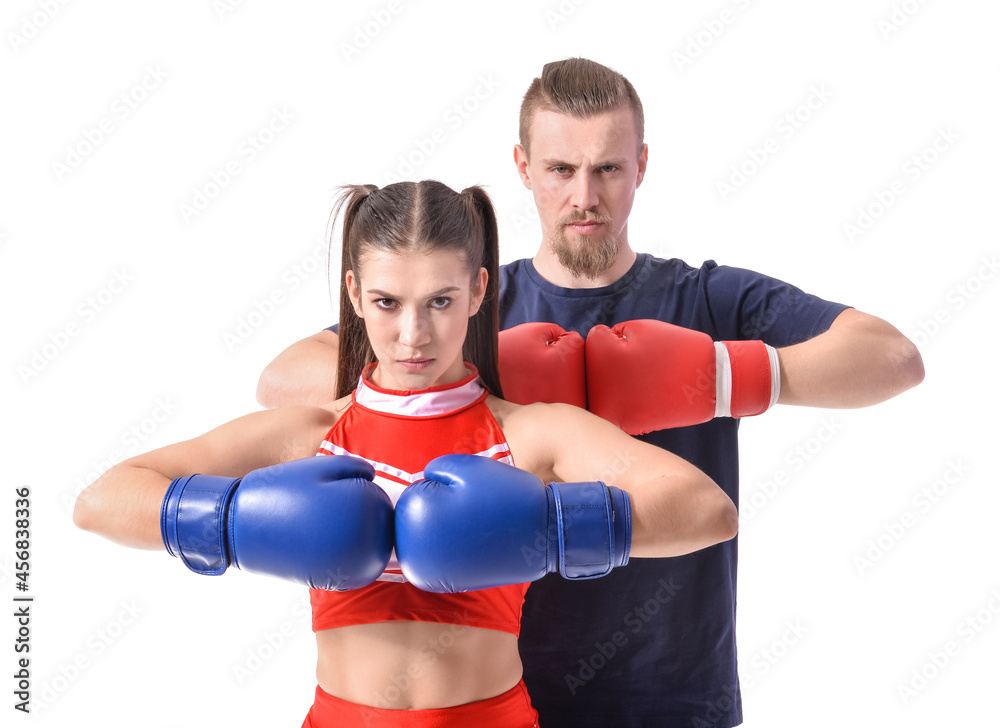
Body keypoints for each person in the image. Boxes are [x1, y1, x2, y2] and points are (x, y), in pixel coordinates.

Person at [255, 60, 925, 727]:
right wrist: (489, 376)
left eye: (607, 168)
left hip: (678, 693)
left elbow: (892, 358)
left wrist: (719, 375)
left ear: (641, 166)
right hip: (512, 696)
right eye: (560, 170)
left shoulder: (706, 299)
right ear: (523, 168)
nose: (584, 196)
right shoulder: (466, 308)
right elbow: (281, 379)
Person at [73, 179, 739, 727]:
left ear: (479, 294)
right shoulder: (309, 435)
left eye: (441, 301)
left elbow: (707, 510)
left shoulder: (533, 435)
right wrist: (236, 521)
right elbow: (100, 501)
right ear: (355, 295)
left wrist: (551, 529)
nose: (413, 334)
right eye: (388, 302)